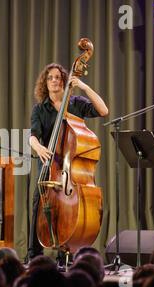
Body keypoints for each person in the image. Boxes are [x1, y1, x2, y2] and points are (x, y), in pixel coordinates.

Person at [28, 63, 109, 262]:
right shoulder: (40, 109)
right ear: (45, 83)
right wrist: (37, 147)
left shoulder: (76, 103)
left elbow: (103, 110)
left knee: (71, 211)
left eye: (58, 77)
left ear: (64, 80)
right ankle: (34, 256)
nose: (54, 80)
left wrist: (84, 86)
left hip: (70, 173)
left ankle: (67, 253)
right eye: (50, 78)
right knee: (38, 205)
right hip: (48, 168)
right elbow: (33, 136)